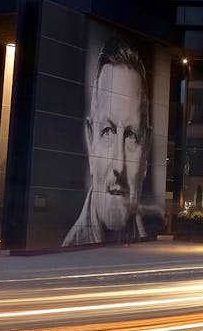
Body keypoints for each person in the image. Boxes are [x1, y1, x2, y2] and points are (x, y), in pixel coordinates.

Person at [63, 37, 150, 245]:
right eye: (108, 131)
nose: (119, 164)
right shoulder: (71, 247)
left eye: (131, 136)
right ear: (90, 138)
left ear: (146, 153)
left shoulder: (147, 229)